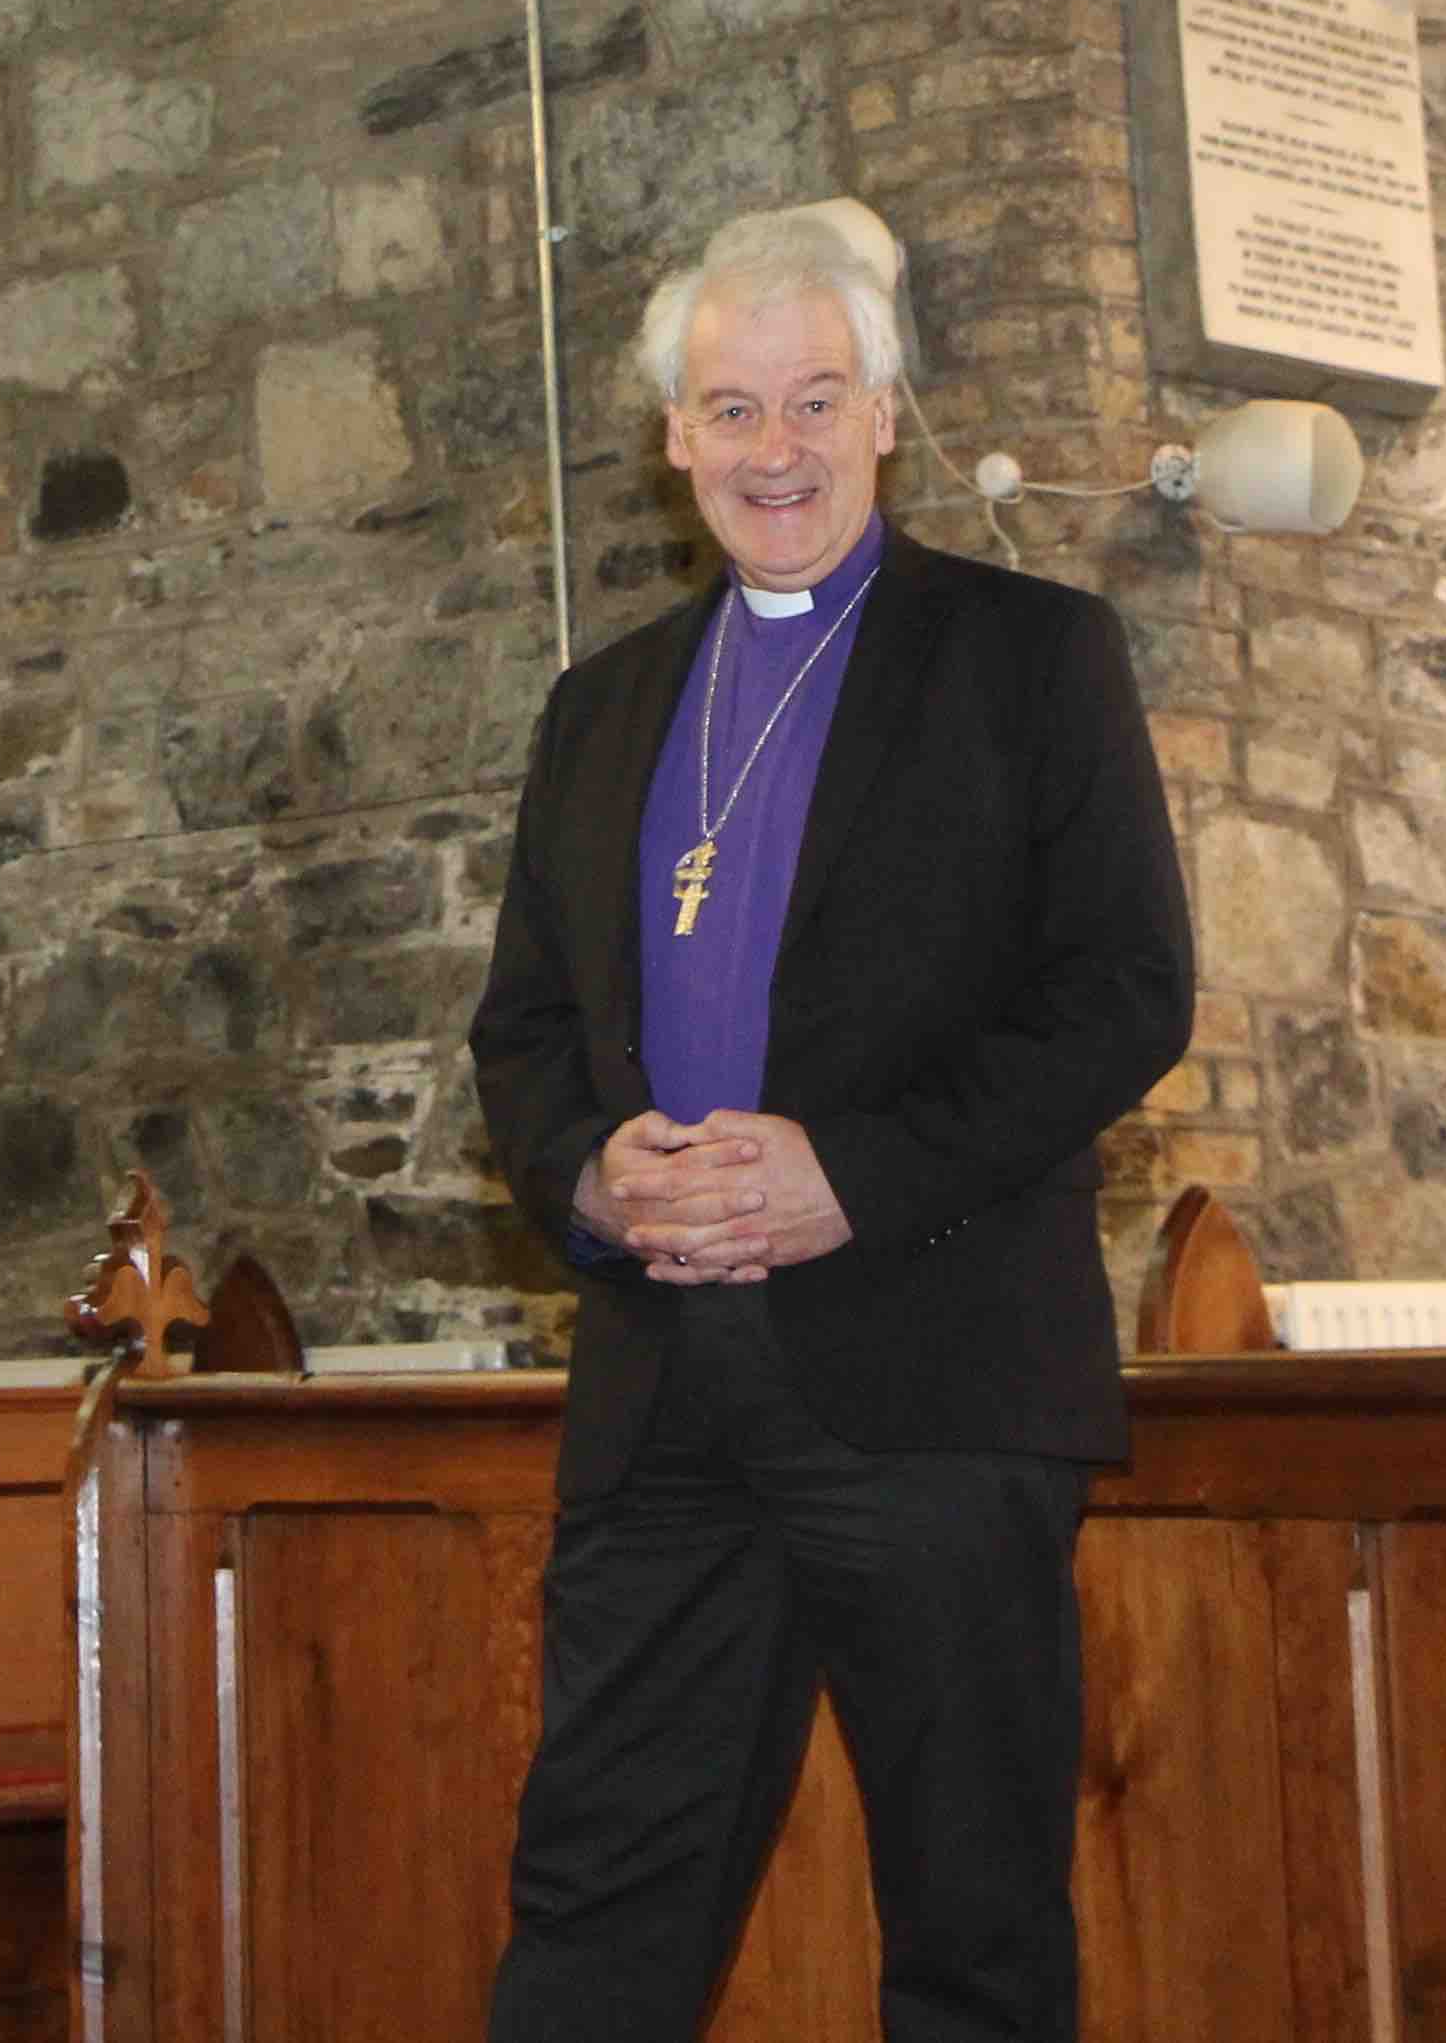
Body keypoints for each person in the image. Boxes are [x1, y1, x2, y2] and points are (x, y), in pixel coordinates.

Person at [472, 201, 1195, 2043]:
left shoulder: (1031, 660)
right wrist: (591, 1176)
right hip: (662, 1399)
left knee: (970, 1927)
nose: (770, 449)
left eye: (812, 402)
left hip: (934, 1380)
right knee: (593, 1912)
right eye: (730, 410)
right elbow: (527, 1029)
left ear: (885, 414)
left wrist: (842, 1177)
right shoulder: (604, 706)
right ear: (674, 442)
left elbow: (1124, 991)